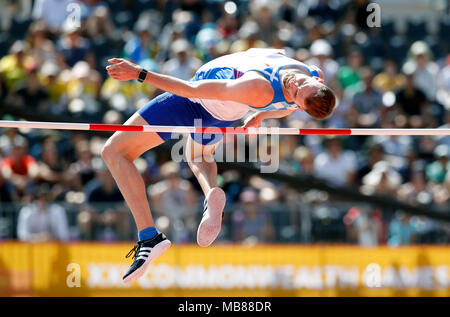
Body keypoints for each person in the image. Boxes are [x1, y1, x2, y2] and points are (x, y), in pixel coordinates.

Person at [102, 47, 336, 283]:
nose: (293, 85)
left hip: (193, 103)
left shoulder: (259, 87)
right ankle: (211, 192)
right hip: (224, 114)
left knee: (114, 152)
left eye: (295, 93)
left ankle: (149, 237)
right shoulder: (311, 72)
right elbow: (289, 105)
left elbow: (190, 89)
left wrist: (140, 74)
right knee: (197, 156)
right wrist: (262, 116)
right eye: (299, 85)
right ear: (316, 80)